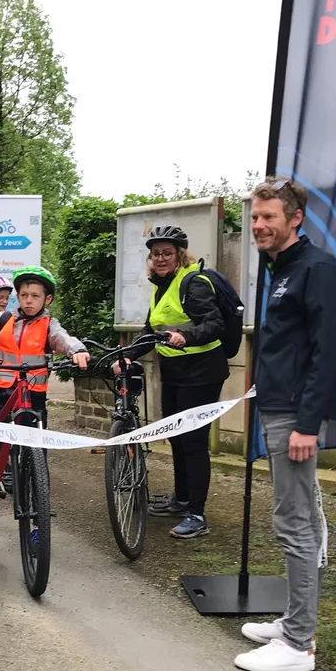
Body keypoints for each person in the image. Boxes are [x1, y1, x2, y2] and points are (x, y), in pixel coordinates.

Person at [234, 178, 336, 671]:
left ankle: (299, 645)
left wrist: (307, 424)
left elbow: (329, 351)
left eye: (269, 218)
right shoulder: (282, 267)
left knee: (295, 523)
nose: (259, 225)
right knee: (296, 520)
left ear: (295, 218)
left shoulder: (316, 269)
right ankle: (295, 621)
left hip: (295, 416)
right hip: (278, 407)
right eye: (255, 218)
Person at [111, 225, 229, 539]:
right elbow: (151, 330)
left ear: (179, 255)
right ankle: (182, 499)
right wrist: (126, 356)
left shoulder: (193, 283)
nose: (161, 258)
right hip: (174, 371)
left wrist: (186, 336)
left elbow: (214, 323)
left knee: (193, 442)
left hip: (202, 371)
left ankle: (197, 515)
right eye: (156, 254)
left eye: (167, 253)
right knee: (176, 437)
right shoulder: (162, 286)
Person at [0, 266, 89, 545]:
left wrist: (77, 351)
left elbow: (63, 339)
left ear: (47, 299)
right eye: (24, 295)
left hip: (32, 398)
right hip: (0, 393)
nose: (28, 300)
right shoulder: (2, 319)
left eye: (35, 296)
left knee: (36, 458)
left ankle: (40, 524)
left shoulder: (49, 324)